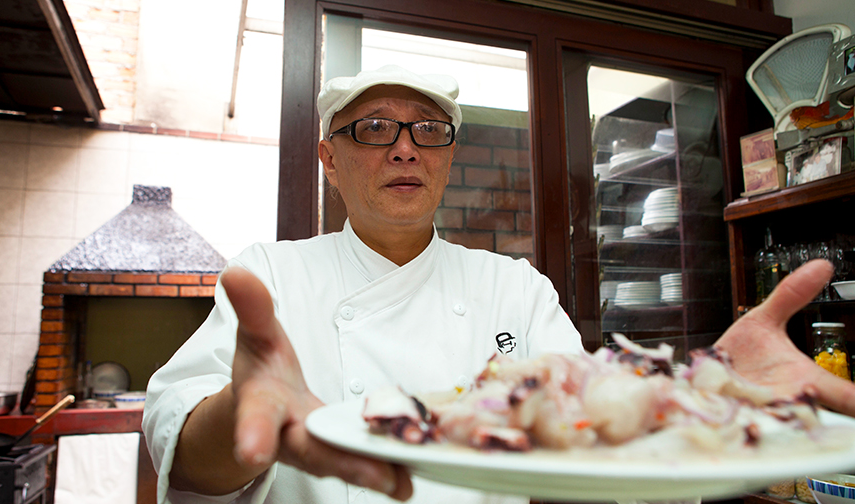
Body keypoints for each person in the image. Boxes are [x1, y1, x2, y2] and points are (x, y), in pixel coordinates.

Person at [142, 65, 855, 504]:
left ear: (448, 159)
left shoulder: (514, 287)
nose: (404, 147)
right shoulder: (270, 275)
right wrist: (241, 412)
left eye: (428, 130)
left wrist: (710, 384)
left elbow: (601, 422)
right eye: (376, 128)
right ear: (330, 159)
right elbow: (180, 452)